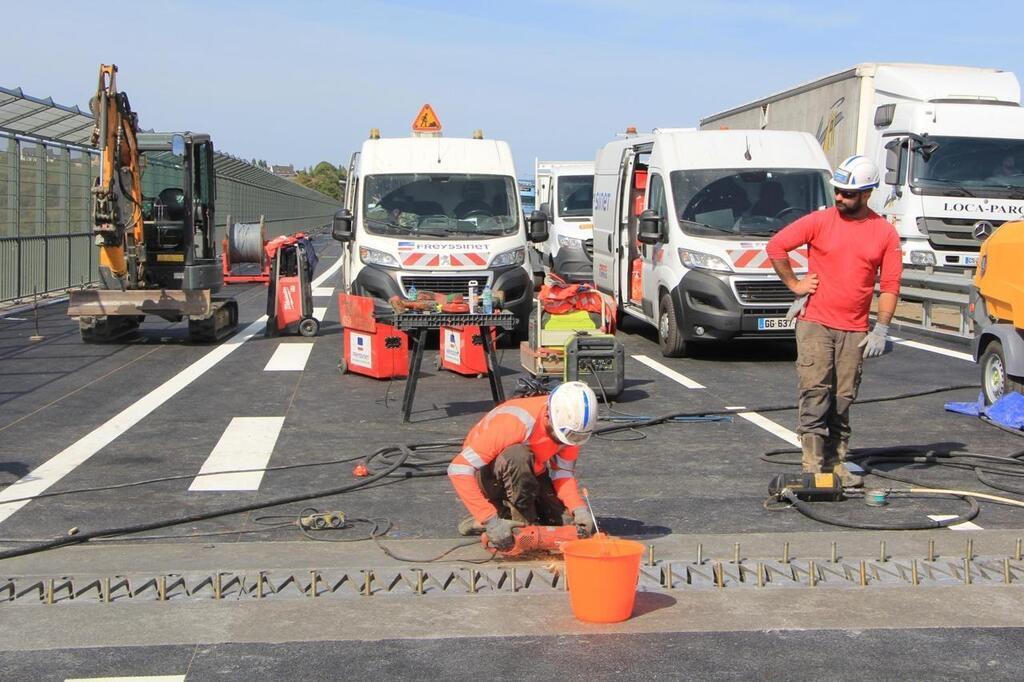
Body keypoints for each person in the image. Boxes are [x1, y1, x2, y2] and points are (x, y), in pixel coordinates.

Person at [766, 155, 902, 487]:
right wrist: (796, 285)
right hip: (815, 322)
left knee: (843, 398)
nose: (839, 198)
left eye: (847, 193)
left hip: (854, 329)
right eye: (837, 191)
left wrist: (881, 327)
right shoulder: (820, 221)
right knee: (816, 393)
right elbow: (776, 247)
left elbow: (890, 285)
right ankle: (813, 466)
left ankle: (836, 462)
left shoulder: (884, 233)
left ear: (867, 194)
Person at [447, 381, 598, 550]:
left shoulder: (571, 428)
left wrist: (578, 508)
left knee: (568, 525)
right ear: (548, 416)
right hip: (491, 476)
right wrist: (490, 521)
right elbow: (458, 469)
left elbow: (562, 473)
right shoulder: (515, 422)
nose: (567, 443)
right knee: (518, 456)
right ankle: (502, 521)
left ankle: (501, 515)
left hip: (529, 474)